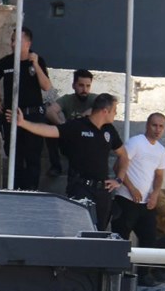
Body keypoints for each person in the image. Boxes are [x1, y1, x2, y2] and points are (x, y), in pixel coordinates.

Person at [15, 92, 128, 231]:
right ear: (105, 111)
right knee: (81, 230)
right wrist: (24, 123)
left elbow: (123, 155)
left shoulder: (109, 130)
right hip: (81, 187)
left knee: (101, 233)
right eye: (114, 110)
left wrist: (119, 179)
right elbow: (50, 130)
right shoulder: (78, 126)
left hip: (103, 191)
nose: (116, 114)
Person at [0, 26, 56, 191]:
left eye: (16, 41)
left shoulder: (37, 61)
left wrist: (35, 65)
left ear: (27, 43)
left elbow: (47, 87)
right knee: (14, 157)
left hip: (32, 116)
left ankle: (32, 191)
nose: (12, 44)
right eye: (12, 40)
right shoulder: (5, 62)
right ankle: (15, 190)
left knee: (33, 158)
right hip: (12, 115)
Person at [111, 112, 165, 285]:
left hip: (146, 204)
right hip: (126, 199)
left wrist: (155, 193)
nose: (157, 129)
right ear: (147, 125)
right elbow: (117, 166)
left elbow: (159, 174)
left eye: (161, 126)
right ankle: (117, 276)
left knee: (149, 238)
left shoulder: (160, 149)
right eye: (154, 125)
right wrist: (131, 188)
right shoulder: (135, 142)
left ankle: (144, 275)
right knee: (121, 238)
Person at [46, 69, 97, 181]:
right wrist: (63, 126)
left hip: (88, 139)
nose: (85, 89)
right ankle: (56, 166)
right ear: (73, 85)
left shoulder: (94, 99)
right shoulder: (67, 99)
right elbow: (50, 111)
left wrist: (86, 113)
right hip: (71, 139)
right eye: (81, 85)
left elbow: (109, 104)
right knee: (50, 126)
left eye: (88, 86)